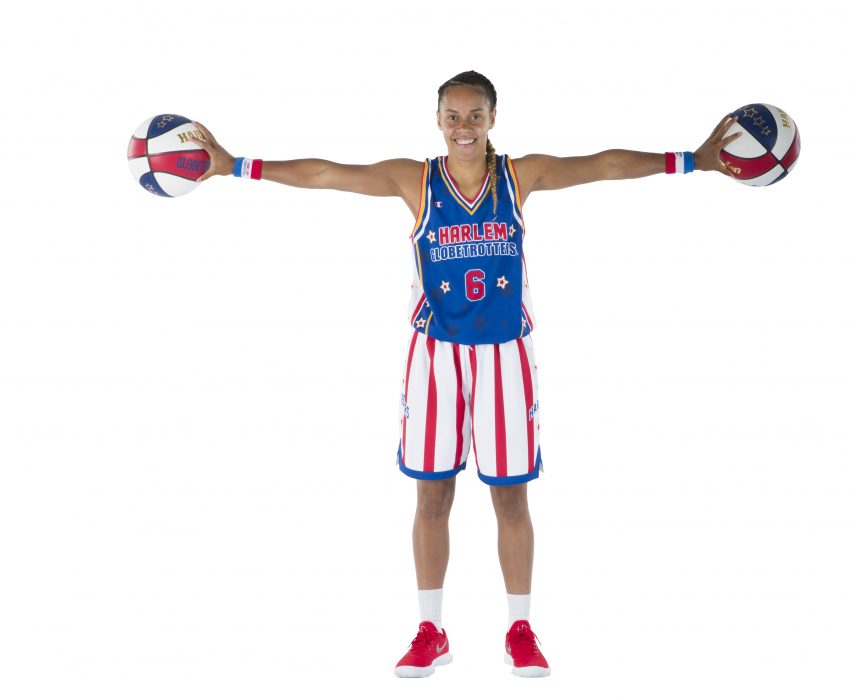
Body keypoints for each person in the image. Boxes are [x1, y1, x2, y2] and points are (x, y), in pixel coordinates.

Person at [188, 69, 740, 679]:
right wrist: (235, 167)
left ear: (493, 119)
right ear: (438, 121)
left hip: (504, 356)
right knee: (432, 496)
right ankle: (431, 630)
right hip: (436, 358)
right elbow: (325, 174)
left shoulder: (520, 176)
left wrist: (694, 160)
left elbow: (603, 165)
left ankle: (520, 629)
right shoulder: (415, 179)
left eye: (475, 115)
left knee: (511, 498)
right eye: (452, 116)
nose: (464, 126)